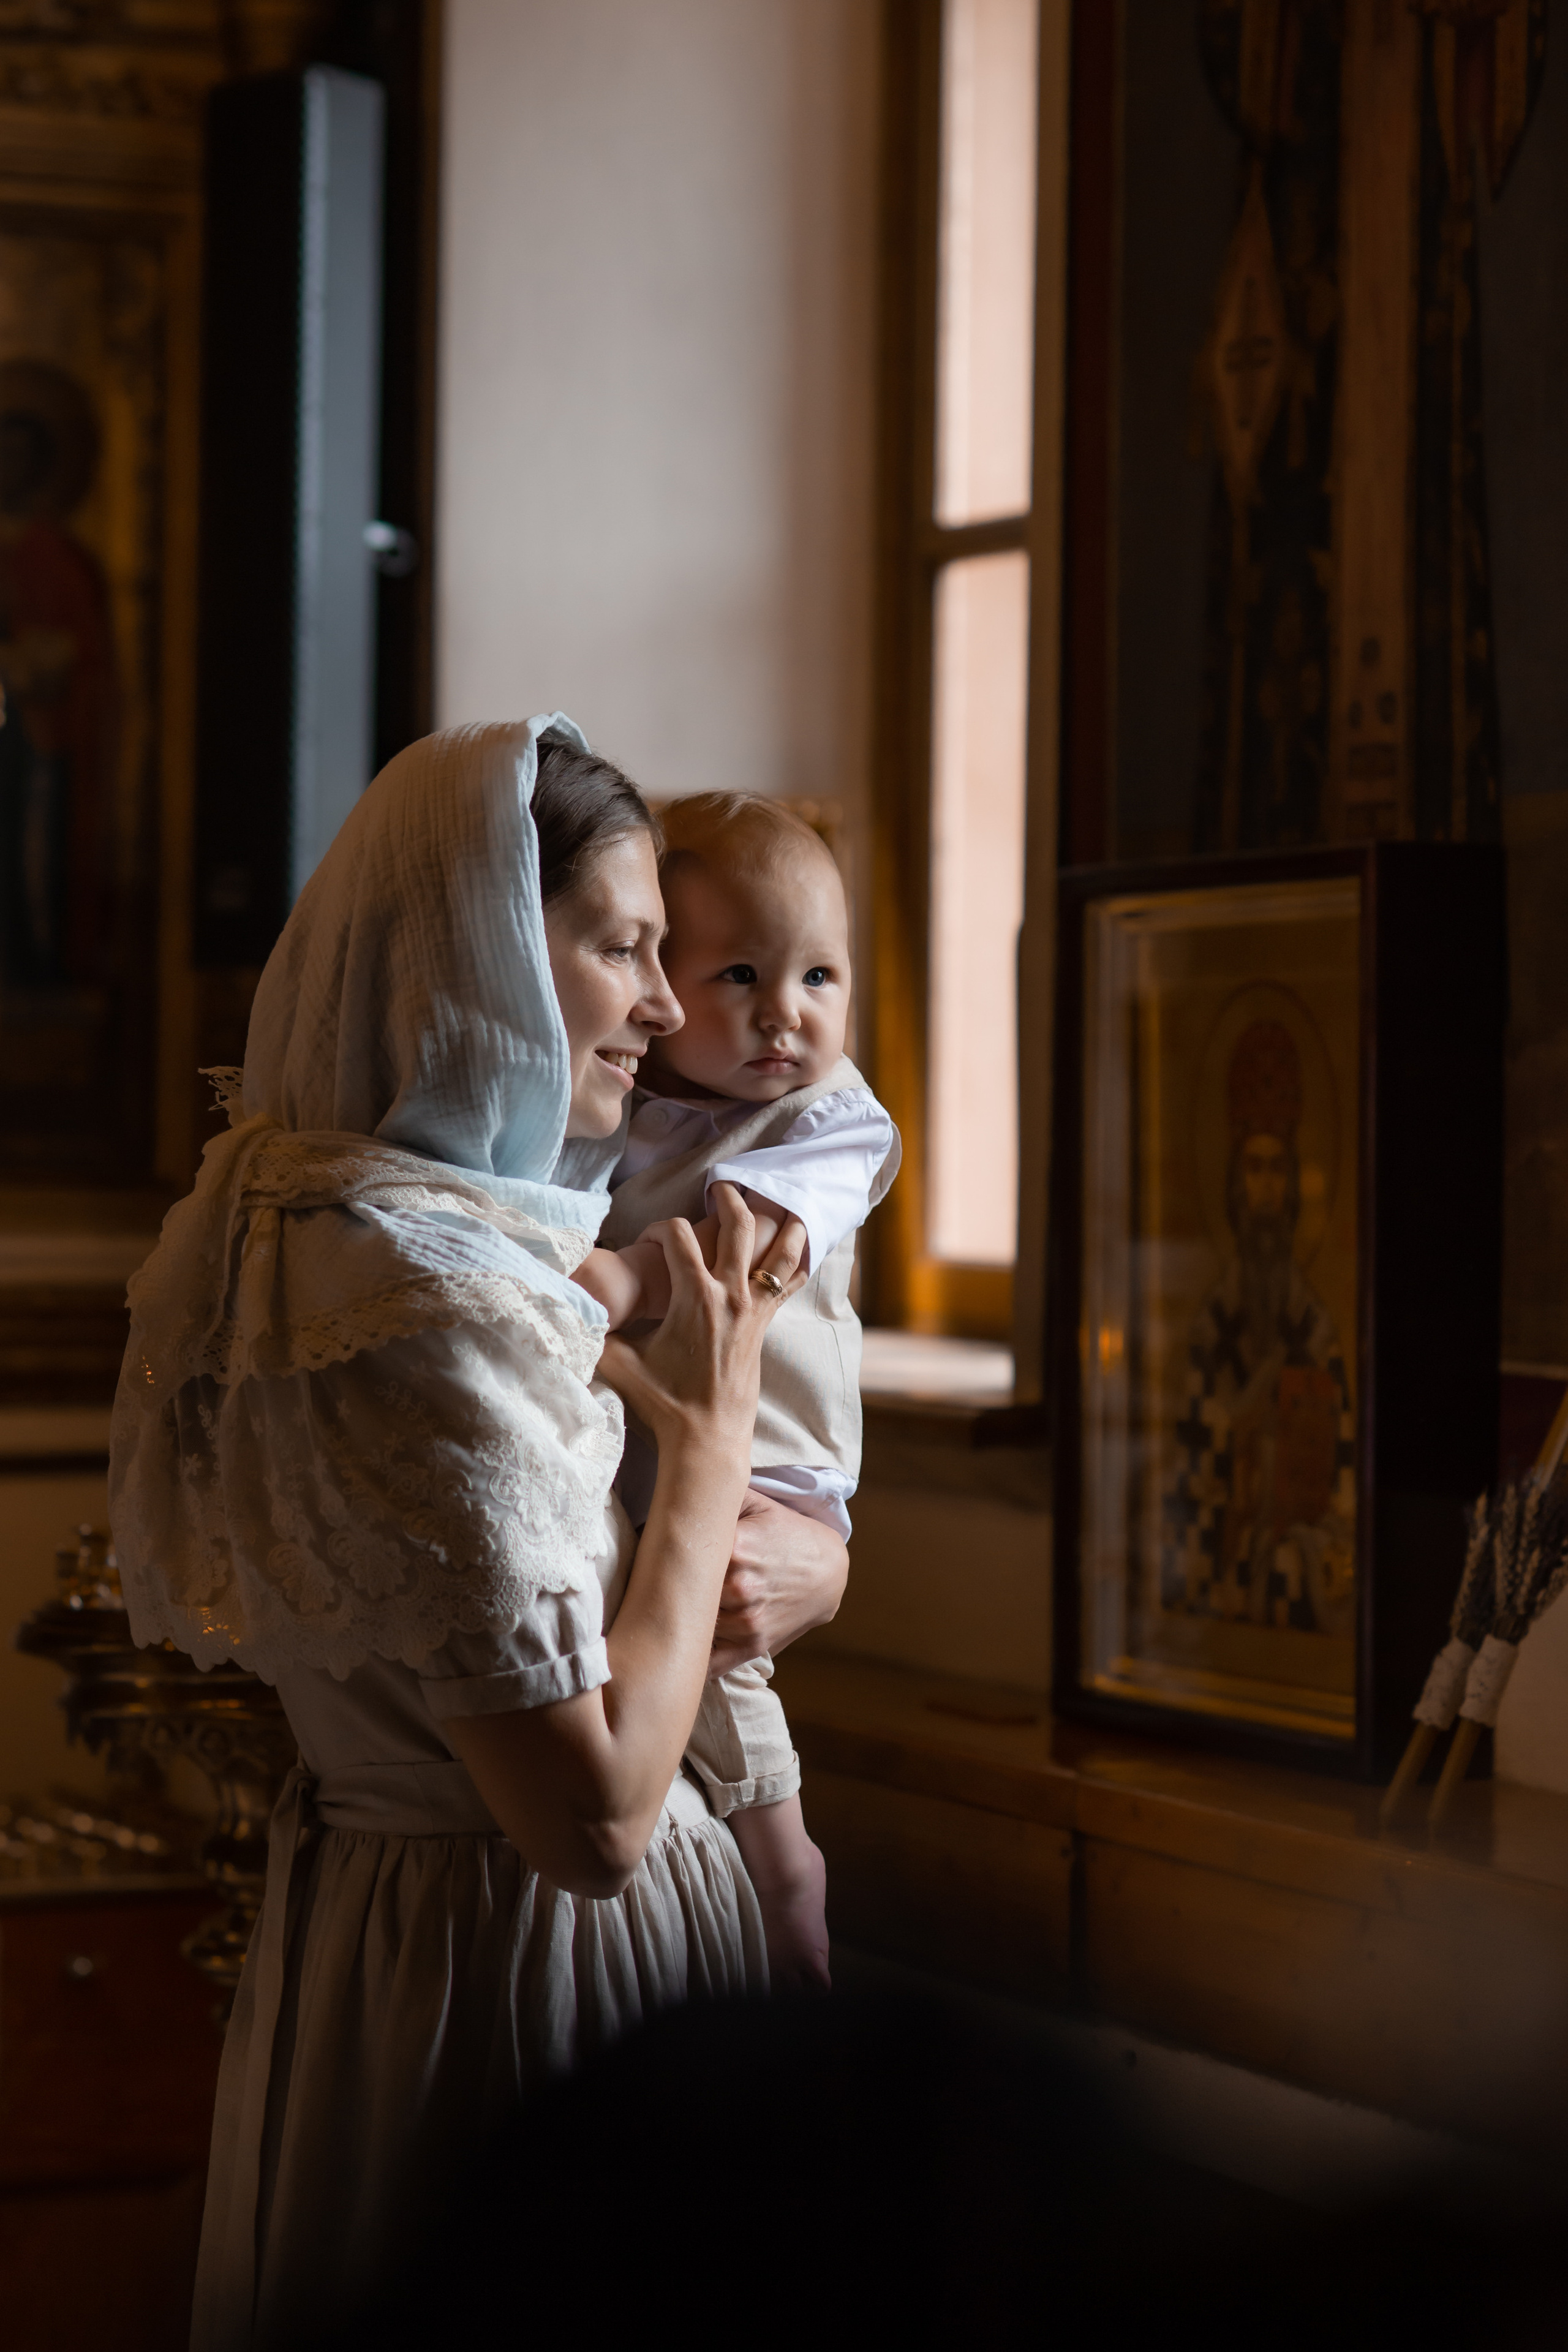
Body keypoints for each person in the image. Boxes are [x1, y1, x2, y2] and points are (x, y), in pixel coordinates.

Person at [108, 716, 848, 2351]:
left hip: (385, 1935)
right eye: (627, 949)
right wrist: (719, 1436)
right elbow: (589, 1820)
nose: (666, 1009)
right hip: (529, 1962)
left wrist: (813, 1553)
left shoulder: (328, 1226)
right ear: (491, 954)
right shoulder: (422, 1298)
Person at [572, 790, 899, 1992]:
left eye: (821, 977)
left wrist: (610, 1277)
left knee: (715, 1661)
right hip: (658, 1455)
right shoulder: (637, 1101)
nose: (784, 1017)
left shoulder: (829, 1123)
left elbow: (742, 1244)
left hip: (766, 1466)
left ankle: (785, 1866)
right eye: (741, 976)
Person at [1162, 1017, 1354, 1635]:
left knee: (1289, 1569)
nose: (1265, 1188)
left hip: (1299, 1528)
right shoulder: (1212, 1326)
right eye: (1254, 1170)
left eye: (1277, 1170)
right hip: (1223, 1522)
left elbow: (1339, 1462)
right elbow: (1190, 1452)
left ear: (1293, 1184)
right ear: (1235, 1186)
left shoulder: (1314, 1327)